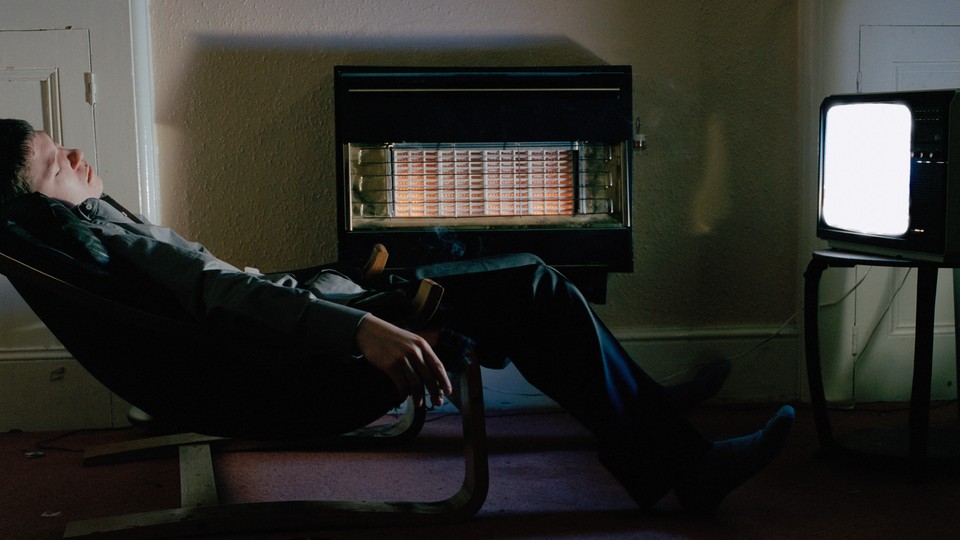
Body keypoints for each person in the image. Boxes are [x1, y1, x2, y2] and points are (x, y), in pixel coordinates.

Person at [0, 118, 794, 514]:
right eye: (53, 160)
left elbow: (225, 296)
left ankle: (643, 408)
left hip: (298, 334)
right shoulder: (102, 235)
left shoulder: (90, 229)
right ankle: (678, 473)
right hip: (312, 369)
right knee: (533, 284)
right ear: (32, 197)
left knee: (497, 272)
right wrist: (362, 326)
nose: (72, 156)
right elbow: (226, 295)